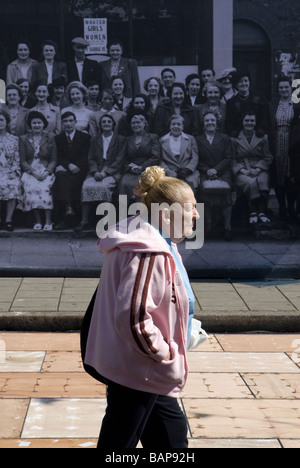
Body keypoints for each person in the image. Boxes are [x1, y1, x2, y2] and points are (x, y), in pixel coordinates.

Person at [83, 165, 199, 449]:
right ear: (165, 213)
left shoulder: (147, 240)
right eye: (190, 208)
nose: (196, 214)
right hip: (141, 371)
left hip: (141, 370)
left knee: (170, 440)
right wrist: (164, 352)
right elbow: (132, 317)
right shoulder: (150, 251)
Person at [77, 114, 126, 231]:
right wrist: (95, 171)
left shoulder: (120, 139)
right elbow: (90, 157)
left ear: (113, 124)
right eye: (104, 122)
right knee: (86, 186)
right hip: (96, 171)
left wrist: (106, 172)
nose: (106, 124)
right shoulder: (95, 139)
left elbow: (120, 159)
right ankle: (84, 220)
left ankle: (106, 221)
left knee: (105, 187)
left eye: (109, 122)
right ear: (100, 125)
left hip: (113, 171)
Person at [196, 112, 234, 241]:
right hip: (205, 172)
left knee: (227, 191)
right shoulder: (198, 139)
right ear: (203, 123)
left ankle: (227, 227)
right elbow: (197, 159)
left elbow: (228, 157)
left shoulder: (225, 138)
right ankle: (208, 225)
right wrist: (207, 170)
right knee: (204, 192)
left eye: (212, 120)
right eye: (207, 121)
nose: (210, 123)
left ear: (217, 123)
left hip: (222, 171)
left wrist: (216, 169)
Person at [232, 112, 273, 225]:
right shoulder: (235, 139)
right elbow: (232, 159)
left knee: (262, 181)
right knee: (250, 182)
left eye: (252, 121)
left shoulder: (263, 138)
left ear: (255, 122)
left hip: (259, 168)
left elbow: (267, 157)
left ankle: (261, 212)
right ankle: (253, 211)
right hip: (242, 169)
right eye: (247, 121)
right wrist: (243, 170)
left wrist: (259, 169)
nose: (249, 123)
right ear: (242, 122)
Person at [19, 111, 57, 230]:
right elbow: (23, 160)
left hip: (46, 169)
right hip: (31, 170)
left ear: (43, 124)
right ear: (30, 125)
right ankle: (38, 221)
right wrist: (33, 172)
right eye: (34, 123)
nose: (36, 125)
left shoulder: (50, 137)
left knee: (45, 188)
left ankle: (48, 221)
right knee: (30, 187)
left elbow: (53, 159)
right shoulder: (24, 138)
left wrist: (47, 171)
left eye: (39, 123)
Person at [54, 111, 90, 229]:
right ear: (62, 123)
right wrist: (68, 164)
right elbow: (58, 156)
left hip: (80, 170)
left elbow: (86, 157)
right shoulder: (58, 138)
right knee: (59, 176)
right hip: (65, 169)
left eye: (70, 121)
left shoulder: (85, 137)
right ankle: (67, 211)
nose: (68, 124)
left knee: (64, 179)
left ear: (75, 122)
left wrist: (74, 166)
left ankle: (69, 212)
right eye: (65, 121)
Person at [269, 76, 297, 221]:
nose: (284, 90)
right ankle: (281, 207)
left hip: (292, 144)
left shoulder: (296, 105)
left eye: (286, 87)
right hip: (277, 143)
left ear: (290, 88)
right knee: (278, 175)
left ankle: (291, 206)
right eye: (281, 88)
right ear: (278, 90)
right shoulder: (273, 105)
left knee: (290, 174)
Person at [119, 112, 160, 202]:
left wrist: (142, 167)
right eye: (133, 123)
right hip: (131, 171)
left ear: (144, 124)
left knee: (147, 185)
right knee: (124, 183)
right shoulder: (128, 139)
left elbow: (155, 156)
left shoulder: (152, 137)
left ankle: (144, 213)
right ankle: (123, 212)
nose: (136, 125)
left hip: (148, 169)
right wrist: (130, 168)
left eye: (138, 122)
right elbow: (124, 158)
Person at [159, 114, 200, 193]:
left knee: (189, 189)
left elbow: (195, 157)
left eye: (179, 124)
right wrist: (168, 170)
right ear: (169, 126)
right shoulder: (162, 140)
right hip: (169, 172)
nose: (176, 126)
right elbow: (160, 159)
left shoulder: (190, 139)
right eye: (173, 124)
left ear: (183, 127)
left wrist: (187, 170)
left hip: (187, 172)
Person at [225, 72, 271, 137]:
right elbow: (229, 122)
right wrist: (234, 132)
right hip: (239, 138)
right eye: (240, 82)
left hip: (258, 136)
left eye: (246, 81)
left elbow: (265, 118)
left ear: (249, 82)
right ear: (236, 85)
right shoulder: (231, 102)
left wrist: (261, 130)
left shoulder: (260, 99)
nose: (244, 84)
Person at [0, 108, 21, 231]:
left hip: (9, 171)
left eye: (1, 120)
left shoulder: (13, 139)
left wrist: (14, 171)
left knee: (12, 184)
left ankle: (8, 220)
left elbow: (16, 158)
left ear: (6, 122)